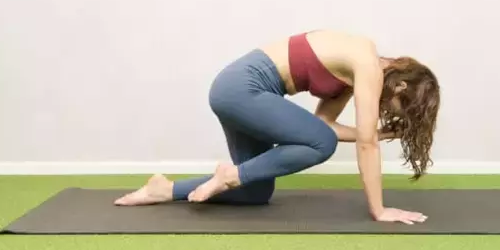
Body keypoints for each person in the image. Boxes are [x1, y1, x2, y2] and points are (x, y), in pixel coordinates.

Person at [114, 30, 440, 224]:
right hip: (241, 89)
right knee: (320, 145)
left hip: (241, 94)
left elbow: (323, 125)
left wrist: (378, 134)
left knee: (255, 191)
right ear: (400, 85)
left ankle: (164, 189)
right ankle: (229, 175)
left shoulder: (350, 76)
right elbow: (360, 144)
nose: (386, 110)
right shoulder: (367, 62)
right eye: (397, 106)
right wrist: (379, 210)